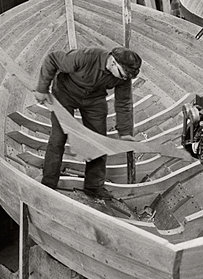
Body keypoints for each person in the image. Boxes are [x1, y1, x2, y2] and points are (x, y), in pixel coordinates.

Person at [35, 47, 142, 200]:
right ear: (113, 62)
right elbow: (52, 59)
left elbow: (124, 102)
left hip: (94, 99)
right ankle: (48, 183)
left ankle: (94, 186)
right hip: (65, 93)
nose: (124, 79)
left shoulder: (123, 76)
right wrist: (42, 88)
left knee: (98, 142)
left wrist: (125, 133)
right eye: (123, 75)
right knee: (58, 138)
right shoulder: (85, 57)